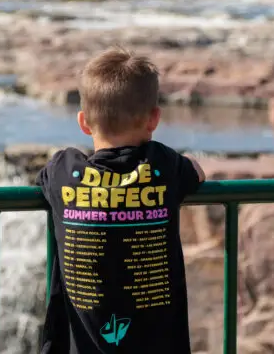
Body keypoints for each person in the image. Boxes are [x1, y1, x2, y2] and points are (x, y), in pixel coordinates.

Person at [36, 46, 206, 354]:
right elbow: (197, 171)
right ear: (154, 119)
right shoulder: (164, 165)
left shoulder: (65, 171)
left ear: (83, 123)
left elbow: (47, 172)